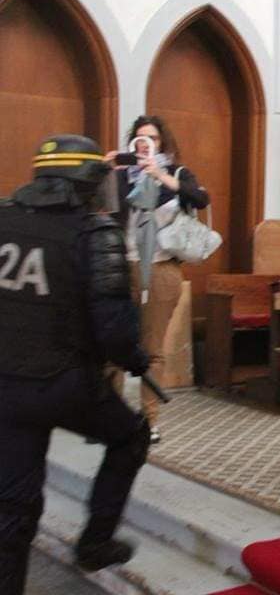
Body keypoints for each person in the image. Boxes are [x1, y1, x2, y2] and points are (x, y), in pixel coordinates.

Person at [0, 135, 153, 594]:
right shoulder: (94, 233)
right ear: (85, 182)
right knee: (130, 436)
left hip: (5, 382)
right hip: (62, 382)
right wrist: (135, 360)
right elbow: (114, 328)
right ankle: (95, 543)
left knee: (13, 505)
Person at [106, 115, 210, 444]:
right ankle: (110, 417)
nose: (144, 143)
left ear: (161, 142)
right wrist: (104, 171)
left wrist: (160, 176)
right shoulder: (122, 176)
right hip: (122, 265)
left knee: (152, 348)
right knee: (114, 343)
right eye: (139, 138)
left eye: (151, 138)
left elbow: (200, 199)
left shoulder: (176, 174)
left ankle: (147, 421)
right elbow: (99, 207)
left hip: (162, 268)